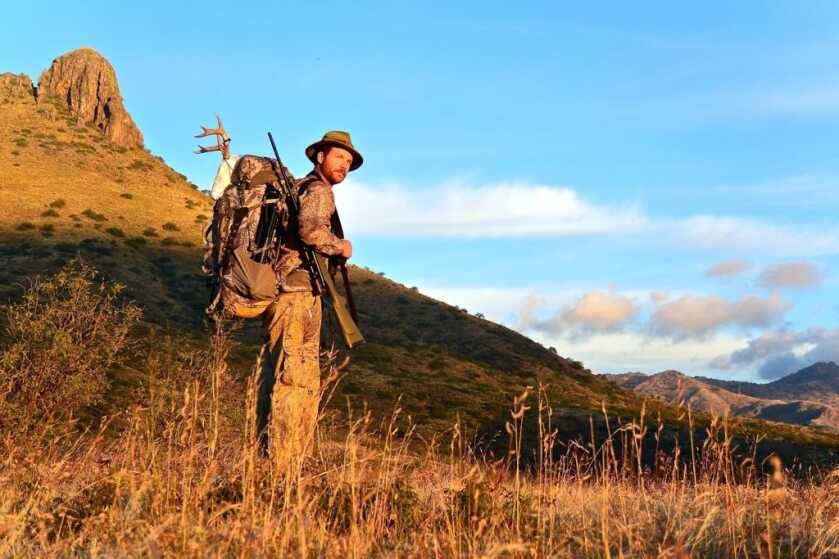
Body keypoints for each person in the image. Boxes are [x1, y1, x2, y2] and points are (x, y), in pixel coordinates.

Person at [256, 130, 363, 472]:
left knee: (277, 374)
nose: (344, 165)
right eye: (338, 157)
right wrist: (340, 246)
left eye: (348, 161)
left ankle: (266, 456)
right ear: (320, 157)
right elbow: (310, 232)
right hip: (298, 293)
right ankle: (285, 463)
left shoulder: (301, 189)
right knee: (296, 377)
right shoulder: (317, 191)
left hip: (284, 291)